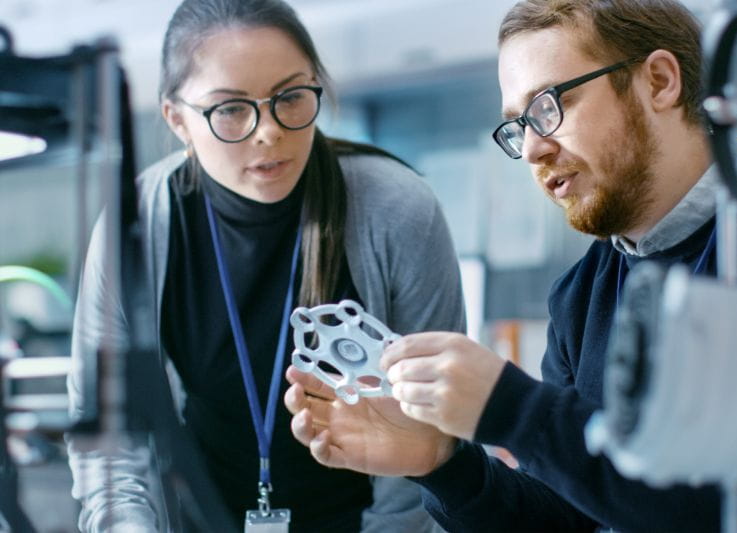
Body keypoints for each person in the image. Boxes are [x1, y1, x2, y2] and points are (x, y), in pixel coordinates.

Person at [284, 0, 737, 530]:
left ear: (661, 81)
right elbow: (564, 519)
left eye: (550, 105)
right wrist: (445, 464)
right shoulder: (580, 296)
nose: (531, 149)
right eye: (518, 125)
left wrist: (515, 409)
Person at [65, 0, 466, 531]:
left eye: (291, 97)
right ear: (177, 119)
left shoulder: (397, 209)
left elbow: (430, 427)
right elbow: (109, 434)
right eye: (230, 108)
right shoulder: (138, 224)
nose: (269, 131)